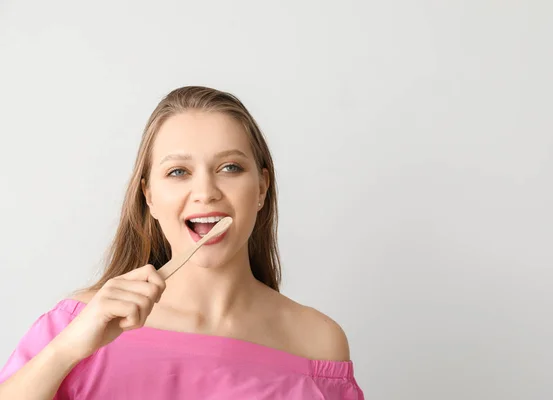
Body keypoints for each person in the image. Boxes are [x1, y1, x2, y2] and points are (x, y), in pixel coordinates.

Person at [0, 86, 364, 399]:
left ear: (262, 188)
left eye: (230, 168)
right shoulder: (78, 323)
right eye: (178, 172)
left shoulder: (319, 342)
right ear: (149, 196)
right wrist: (68, 349)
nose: (205, 192)